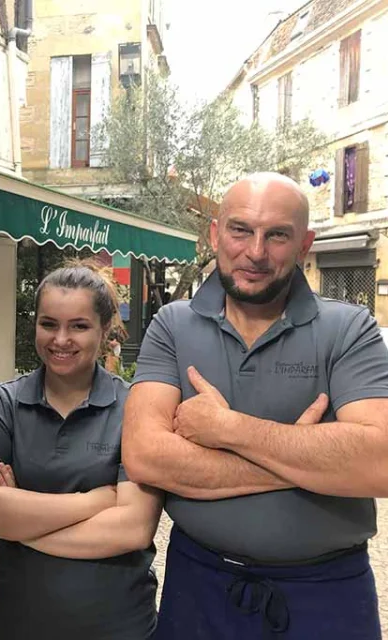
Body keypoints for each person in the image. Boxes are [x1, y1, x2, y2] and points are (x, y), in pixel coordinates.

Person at [122, 172, 388, 639]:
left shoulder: (350, 329)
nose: (256, 252)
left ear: (304, 244)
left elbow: (381, 462)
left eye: (277, 235)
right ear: (215, 234)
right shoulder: (173, 325)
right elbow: (145, 455)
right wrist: (304, 458)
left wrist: (229, 430)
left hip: (328, 595)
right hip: (199, 587)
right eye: (240, 229)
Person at [0, 261, 162, 640]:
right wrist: (97, 501)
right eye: (49, 324)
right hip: (17, 626)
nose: (60, 339)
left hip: (119, 628)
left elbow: (133, 529)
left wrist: (19, 518)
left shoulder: (134, 408)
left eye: (79, 326)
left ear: (105, 331)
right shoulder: (4, 403)